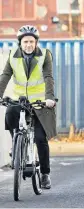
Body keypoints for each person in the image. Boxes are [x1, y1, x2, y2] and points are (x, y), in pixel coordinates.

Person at [0, 25, 57, 189]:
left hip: (39, 102)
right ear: (20, 43)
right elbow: (5, 76)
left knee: (40, 138)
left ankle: (45, 174)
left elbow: (48, 77)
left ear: (36, 42)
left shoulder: (45, 55)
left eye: (32, 41)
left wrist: (49, 98)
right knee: (10, 113)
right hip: (20, 99)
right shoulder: (12, 56)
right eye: (25, 42)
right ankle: (16, 143)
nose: (29, 45)